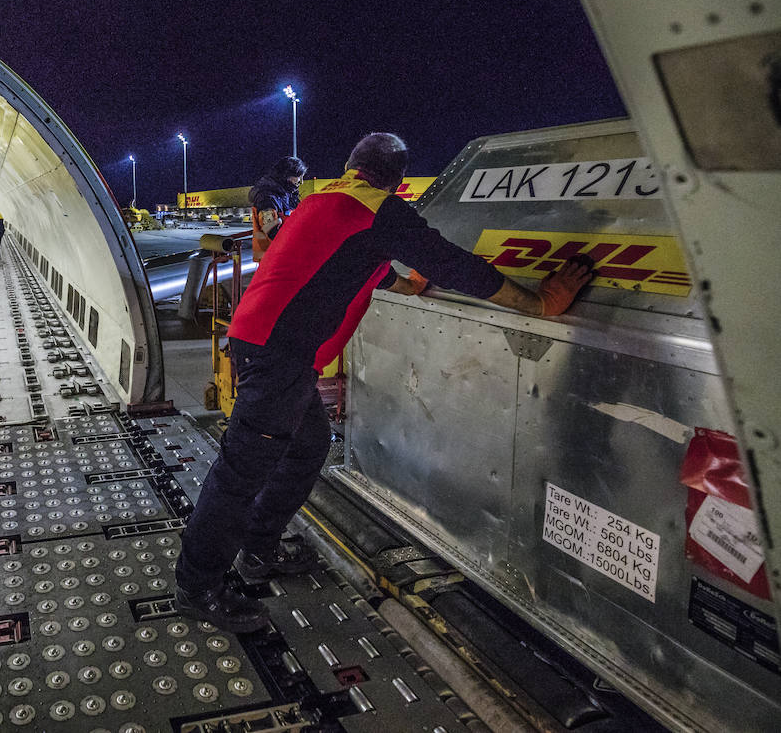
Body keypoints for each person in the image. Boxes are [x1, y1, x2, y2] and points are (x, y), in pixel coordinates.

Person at [174, 133, 595, 632]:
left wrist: (408, 286)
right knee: (241, 470)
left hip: (269, 346)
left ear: (352, 166)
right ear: (396, 180)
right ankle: (198, 586)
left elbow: (356, 266)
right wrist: (537, 304)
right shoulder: (380, 212)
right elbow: (456, 264)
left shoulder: (324, 202)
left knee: (308, 447)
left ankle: (259, 547)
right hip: (279, 355)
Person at [249, 156, 306, 259]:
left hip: (285, 250)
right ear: (286, 175)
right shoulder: (267, 197)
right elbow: (270, 230)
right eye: (298, 177)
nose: (301, 182)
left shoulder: (287, 193)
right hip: (272, 254)